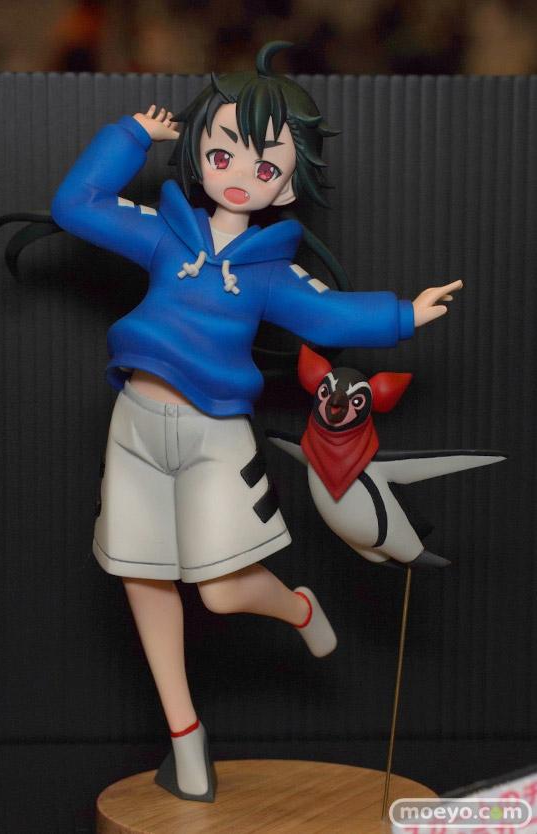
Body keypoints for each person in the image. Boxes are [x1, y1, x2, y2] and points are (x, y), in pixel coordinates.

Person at [51, 41, 461, 802]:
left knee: (220, 590)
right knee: (142, 577)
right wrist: (131, 137)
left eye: (265, 167)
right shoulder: (165, 232)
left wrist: (405, 313)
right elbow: (76, 207)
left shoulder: (272, 270)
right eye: (223, 153)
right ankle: (186, 737)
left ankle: (298, 607)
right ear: (200, 154)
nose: (240, 174)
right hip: (133, 426)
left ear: (288, 184)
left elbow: (326, 315)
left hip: (214, 438)